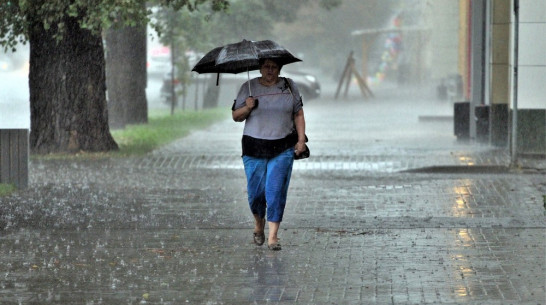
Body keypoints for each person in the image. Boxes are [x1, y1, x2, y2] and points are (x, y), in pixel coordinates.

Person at [232, 58, 306, 251]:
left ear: (280, 69)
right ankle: (259, 224)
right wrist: (248, 107)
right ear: (260, 68)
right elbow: (235, 116)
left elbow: (298, 113)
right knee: (256, 193)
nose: (270, 70)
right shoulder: (248, 87)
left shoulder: (289, 86)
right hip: (254, 147)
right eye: (266, 67)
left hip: (282, 147)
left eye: (274, 67)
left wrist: (300, 141)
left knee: (275, 191)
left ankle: (273, 236)